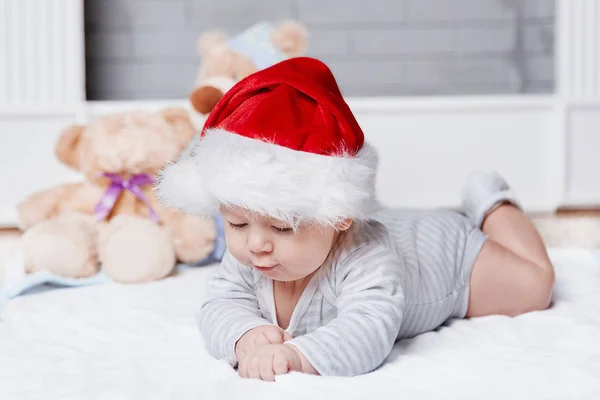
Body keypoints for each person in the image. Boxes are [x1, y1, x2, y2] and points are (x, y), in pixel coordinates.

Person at [156, 57, 556, 381]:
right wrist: (243, 334)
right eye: (237, 224)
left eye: (282, 226)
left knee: (535, 285)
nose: (256, 243)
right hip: (400, 225)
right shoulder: (248, 254)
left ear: (339, 217)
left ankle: (492, 203)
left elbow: (369, 332)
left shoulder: (366, 258)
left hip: (448, 255)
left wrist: (296, 356)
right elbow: (218, 305)